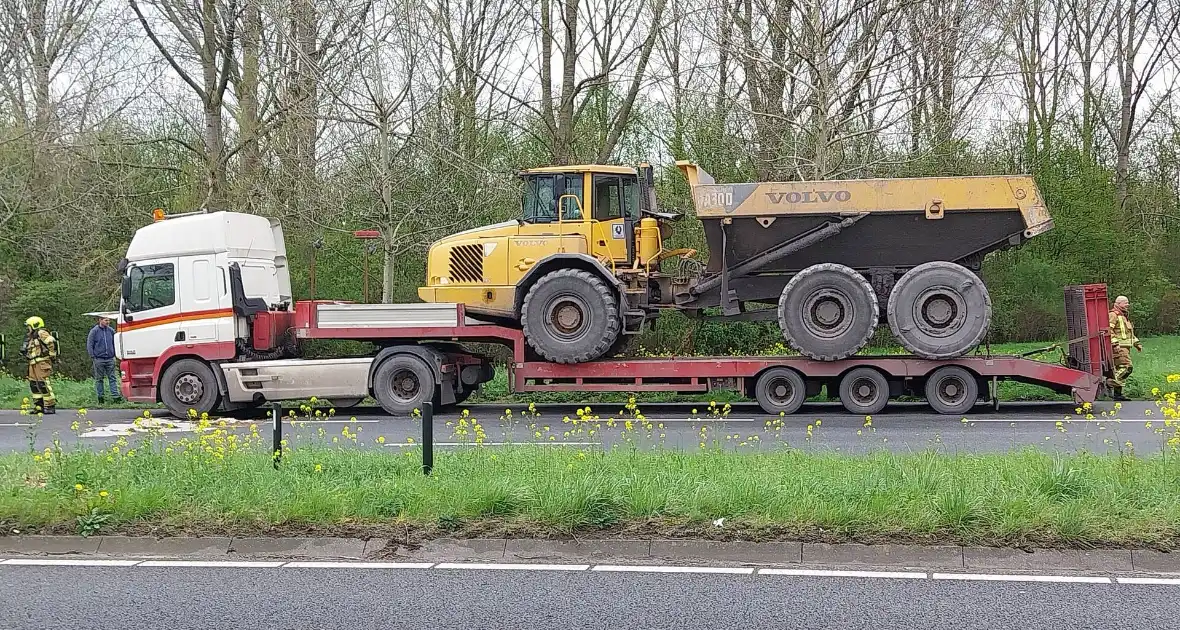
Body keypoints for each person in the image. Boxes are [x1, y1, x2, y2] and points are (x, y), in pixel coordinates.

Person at [1108, 295, 1142, 401]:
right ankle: (1109, 383)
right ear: (1118, 303)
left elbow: (1129, 334)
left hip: (1125, 347)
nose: (1128, 305)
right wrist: (1115, 344)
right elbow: (1109, 330)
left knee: (1120, 368)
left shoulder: (1124, 317)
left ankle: (1117, 395)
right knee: (1127, 367)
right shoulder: (1113, 315)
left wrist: (1137, 344)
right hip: (1119, 348)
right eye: (1125, 302)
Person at [23, 316, 57, 414]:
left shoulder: (41, 333)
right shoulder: (32, 336)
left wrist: (51, 355)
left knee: (43, 384)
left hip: (42, 363)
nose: (28, 329)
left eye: (29, 326)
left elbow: (51, 342)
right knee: (34, 384)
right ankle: (39, 406)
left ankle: (49, 405)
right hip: (33, 363)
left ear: (34, 325)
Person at [87, 316, 121, 404]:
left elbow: (115, 342)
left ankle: (116, 397)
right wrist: (93, 356)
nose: (108, 322)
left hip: (110, 358)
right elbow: (90, 344)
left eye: (109, 320)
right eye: (106, 320)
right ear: (100, 320)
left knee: (112, 378)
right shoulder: (94, 331)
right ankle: (100, 398)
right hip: (99, 359)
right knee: (99, 379)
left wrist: (115, 354)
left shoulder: (111, 331)